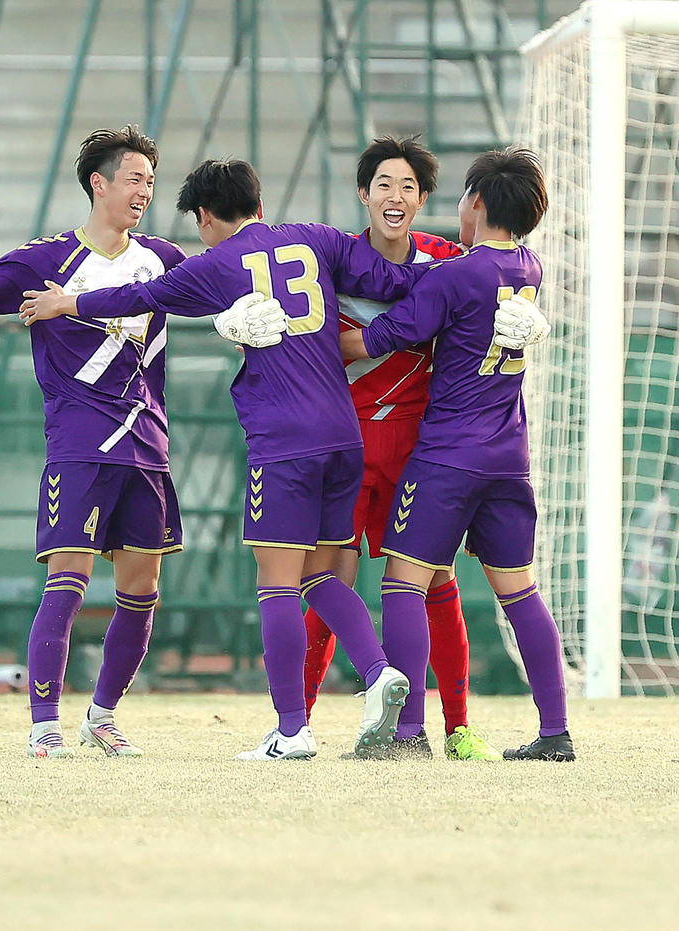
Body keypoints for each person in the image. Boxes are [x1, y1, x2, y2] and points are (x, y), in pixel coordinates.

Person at [20, 158, 433, 760]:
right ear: (259, 205)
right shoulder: (317, 239)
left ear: (206, 217)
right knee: (319, 572)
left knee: (277, 585)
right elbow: (392, 278)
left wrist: (69, 303)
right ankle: (377, 672)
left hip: (285, 439)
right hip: (345, 434)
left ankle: (292, 731)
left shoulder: (213, 264)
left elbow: (139, 295)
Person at [0, 125, 186, 759]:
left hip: (147, 441)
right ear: (100, 183)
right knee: (68, 580)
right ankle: (43, 725)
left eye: (150, 181)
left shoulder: (164, 260)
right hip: (81, 441)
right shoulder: (48, 258)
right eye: (134, 178)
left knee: (142, 590)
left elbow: (214, 288)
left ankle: (103, 716)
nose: (144, 191)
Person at [341, 146, 574, 761]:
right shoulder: (530, 268)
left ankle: (411, 732)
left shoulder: (456, 275)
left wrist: (303, 349)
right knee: (520, 592)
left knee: (402, 584)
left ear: (475, 203)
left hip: (446, 454)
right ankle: (555, 731)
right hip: (509, 455)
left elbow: (383, 335)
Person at [303, 135, 501, 762]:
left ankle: (457, 727)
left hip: (419, 453)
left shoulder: (448, 259)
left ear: (423, 199)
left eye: (408, 186)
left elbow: (503, 275)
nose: (395, 196)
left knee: (434, 584)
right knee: (327, 580)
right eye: (383, 184)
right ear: (364, 194)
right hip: (345, 446)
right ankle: (297, 724)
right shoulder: (327, 264)